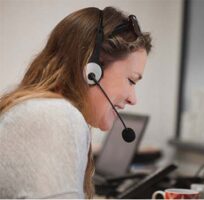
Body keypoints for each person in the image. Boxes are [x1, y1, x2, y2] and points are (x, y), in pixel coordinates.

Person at [0, 7, 152, 198]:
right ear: (93, 70)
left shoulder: (42, 109)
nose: (133, 98)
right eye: (131, 80)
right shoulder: (55, 115)